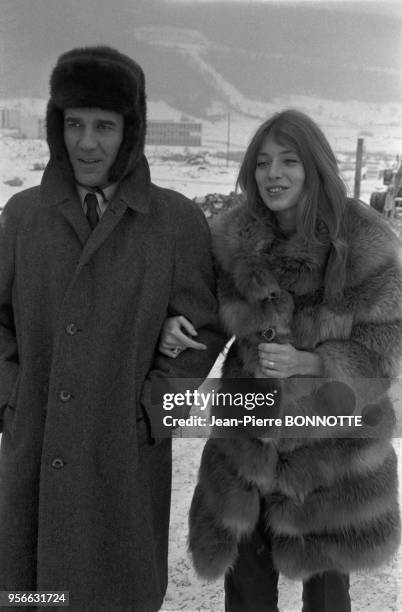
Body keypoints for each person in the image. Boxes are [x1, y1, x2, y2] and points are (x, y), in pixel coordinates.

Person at [0, 46, 226, 611]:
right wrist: (12, 400)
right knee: (35, 594)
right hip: (35, 450)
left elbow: (204, 326)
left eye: (104, 125)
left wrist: (157, 408)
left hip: (122, 455)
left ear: (131, 129)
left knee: (117, 591)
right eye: (73, 124)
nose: (87, 143)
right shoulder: (24, 216)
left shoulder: (174, 221)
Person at [159, 110, 402, 612]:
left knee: (328, 594)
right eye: (263, 162)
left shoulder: (364, 244)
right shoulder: (233, 243)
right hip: (246, 446)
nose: (274, 174)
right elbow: (201, 312)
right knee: (246, 589)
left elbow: (386, 348)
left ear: (315, 167)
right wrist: (171, 325)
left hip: (335, 453)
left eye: (289, 160)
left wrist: (311, 364)